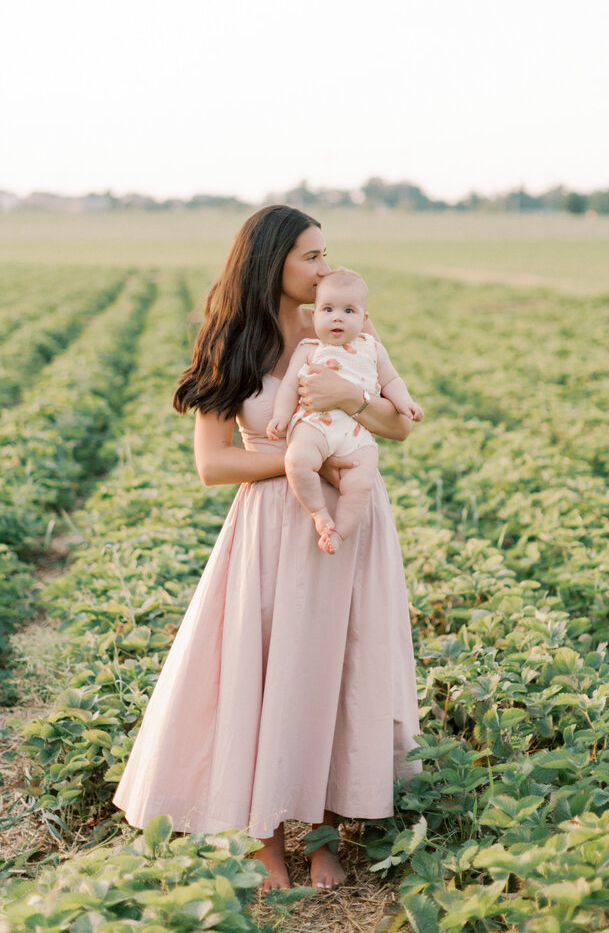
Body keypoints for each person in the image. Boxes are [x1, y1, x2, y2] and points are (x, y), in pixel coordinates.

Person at [112, 205, 420, 892]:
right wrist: (296, 463)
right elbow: (213, 464)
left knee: (342, 674)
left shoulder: (348, 325)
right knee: (270, 678)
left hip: (352, 525)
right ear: (272, 262)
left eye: (325, 254)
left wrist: (352, 397)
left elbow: (400, 428)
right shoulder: (230, 341)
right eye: (311, 256)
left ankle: (322, 840)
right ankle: (262, 841)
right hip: (273, 529)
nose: (323, 268)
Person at [267, 267, 422, 553]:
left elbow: (392, 380)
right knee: (298, 460)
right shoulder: (309, 349)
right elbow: (289, 387)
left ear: (364, 319)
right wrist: (280, 417)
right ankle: (319, 513)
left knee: (361, 484)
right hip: (315, 425)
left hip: (356, 433)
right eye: (327, 309)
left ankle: (340, 532)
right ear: (314, 316)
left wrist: (406, 403)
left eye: (349, 311)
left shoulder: (372, 349)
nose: (337, 317)